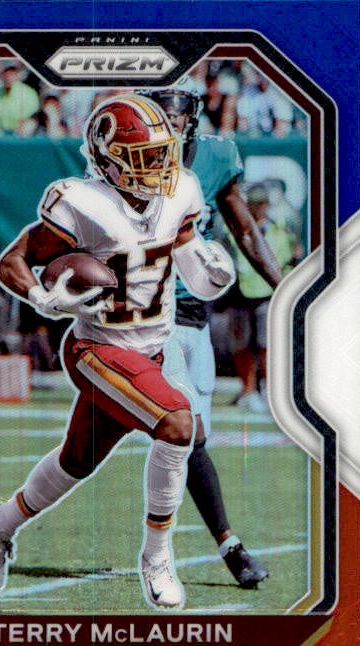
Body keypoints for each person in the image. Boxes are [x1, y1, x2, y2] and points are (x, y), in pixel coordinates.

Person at [0, 95, 235, 608]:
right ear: (108, 160)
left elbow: (189, 264)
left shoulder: (181, 190)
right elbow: (12, 262)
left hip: (151, 350)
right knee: (178, 424)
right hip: (97, 349)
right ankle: (156, 557)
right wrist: (43, 297)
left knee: (76, 462)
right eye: (144, 157)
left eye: (162, 153)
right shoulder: (82, 203)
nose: (159, 165)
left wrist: (211, 272)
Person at [146, 79, 283, 587]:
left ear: (193, 115)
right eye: (159, 111)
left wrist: (287, 289)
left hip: (195, 318)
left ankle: (8, 519)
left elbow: (245, 229)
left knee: (86, 455)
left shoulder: (217, 157)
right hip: (148, 318)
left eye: (176, 110)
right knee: (190, 435)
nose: (169, 121)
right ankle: (230, 548)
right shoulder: (127, 158)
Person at [230, 183, 300, 411]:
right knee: (241, 344)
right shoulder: (234, 228)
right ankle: (248, 391)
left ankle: (270, 390)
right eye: (255, 204)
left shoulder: (281, 229)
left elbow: (292, 256)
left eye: (262, 203)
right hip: (240, 291)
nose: (260, 208)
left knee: (267, 344)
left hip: (269, 293)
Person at [0, 62, 40, 135]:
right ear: (1, 76)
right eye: (6, 74)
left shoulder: (30, 93)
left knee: (29, 125)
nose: (9, 78)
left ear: (18, 76)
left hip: (19, 130)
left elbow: (32, 116)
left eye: (12, 74)